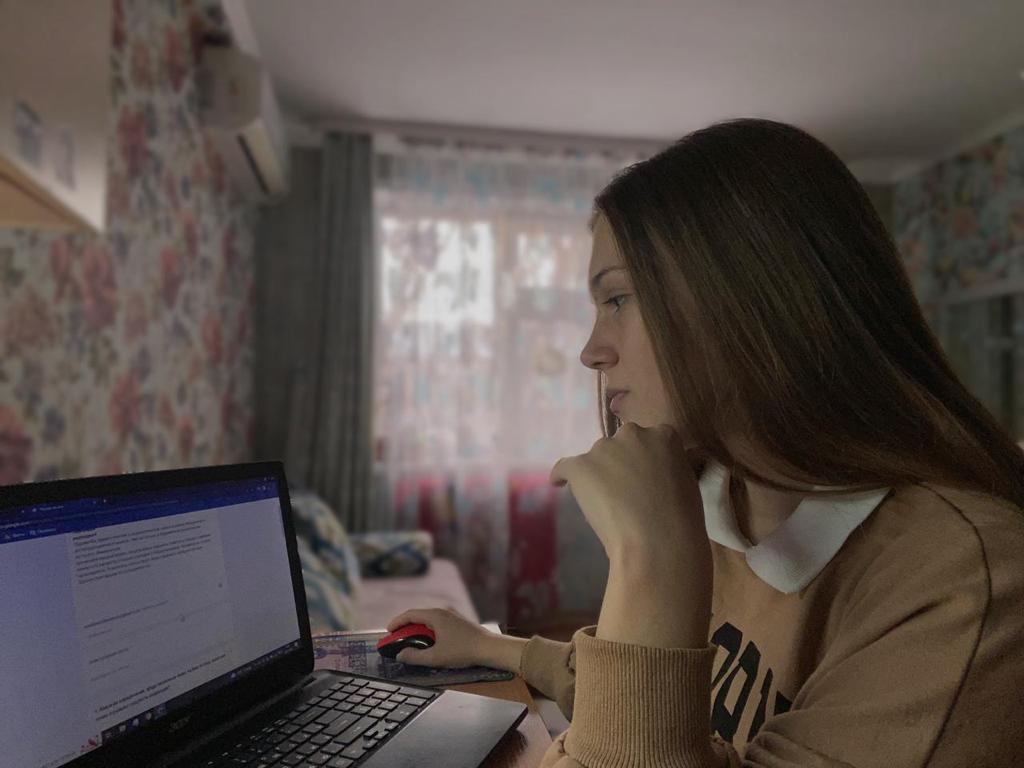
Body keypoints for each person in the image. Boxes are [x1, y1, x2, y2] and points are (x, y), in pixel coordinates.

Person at [386, 119, 1024, 767]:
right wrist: (489, 647)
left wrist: (653, 558)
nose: (591, 351)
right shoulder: (722, 488)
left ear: (752, 300)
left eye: (617, 299)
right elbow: (649, 695)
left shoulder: (961, 582)